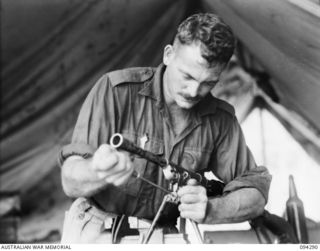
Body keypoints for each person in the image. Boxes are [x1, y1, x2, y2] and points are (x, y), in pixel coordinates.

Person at [59, 13, 271, 243]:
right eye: (187, 76)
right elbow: (70, 182)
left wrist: (211, 209)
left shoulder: (221, 119)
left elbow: (256, 194)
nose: (193, 91)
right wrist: (97, 171)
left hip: (165, 238)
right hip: (97, 232)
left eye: (208, 83)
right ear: (168, 54)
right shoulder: (115, 90)